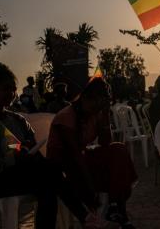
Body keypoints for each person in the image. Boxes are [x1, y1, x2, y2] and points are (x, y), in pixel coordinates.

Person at [0, 62, 90, 229]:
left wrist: (28, 151)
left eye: (13, 88)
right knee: (49, 176)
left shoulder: (18, 121)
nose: (12, 93)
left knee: (48, 179)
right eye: (5, 89)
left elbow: (35, 159)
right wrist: (11, 159)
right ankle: (85, 216)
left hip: (24, 175)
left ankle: (85, 217)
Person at [46, 77, 138, 229]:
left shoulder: (96, 113)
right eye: (98, 102)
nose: (99, 107)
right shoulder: (66, 117)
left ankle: (116, 207)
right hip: (64, 164)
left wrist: (105, 117)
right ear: (86, 98)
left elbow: (105, 143)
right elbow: (74, 155)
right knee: (108, 169)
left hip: (81, 157)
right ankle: (117, 212)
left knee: (118, 149)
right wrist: (89, 189)